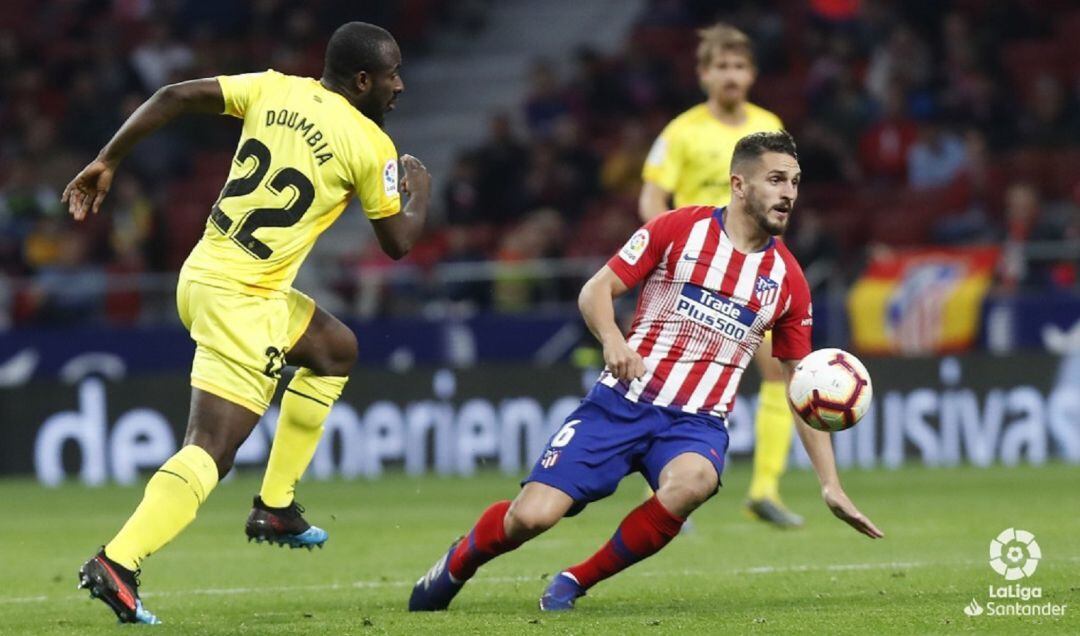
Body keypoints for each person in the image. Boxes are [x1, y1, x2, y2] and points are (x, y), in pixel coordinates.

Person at [408, 131, 883, 613]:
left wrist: (831, 484)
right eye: (776, 180)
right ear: (739, 185)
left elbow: (798, 387)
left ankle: (575, 580)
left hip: (696, 424)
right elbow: (595, 291)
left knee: (694, 480)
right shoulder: (678, 229)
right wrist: (613, 341)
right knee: (531, 518)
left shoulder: (788, 281)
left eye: (795, 183)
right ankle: (458, 563)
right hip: (621, 404)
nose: (788, 194)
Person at [63, 22, 430, 624]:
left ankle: (276, 505)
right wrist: (420, 190)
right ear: (363, 80)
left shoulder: (273, 88)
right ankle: (118, 562)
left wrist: (108, 160)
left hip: (205, 273)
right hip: (243, 299)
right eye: (392, 75)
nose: (401, 87)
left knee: (336, 348)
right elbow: (398, 242)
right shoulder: (371, 145)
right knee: (210, 449)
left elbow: (173, 96)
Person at [638, 23, 801, 527]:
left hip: (753, 272)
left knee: (780, 370)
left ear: (751, 73)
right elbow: (652, 197)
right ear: (704, 74)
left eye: (739, 66)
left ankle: (765, 490)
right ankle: (669, 489)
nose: (731, 75)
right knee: (667, 381)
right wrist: (666, 249)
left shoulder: (768, 126)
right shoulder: (681, 132)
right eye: (721, 67)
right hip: (692, 277)